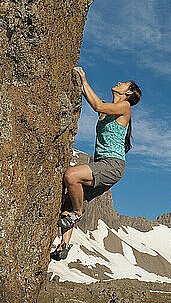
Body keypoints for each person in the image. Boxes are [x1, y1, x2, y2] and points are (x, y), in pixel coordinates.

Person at [51, 66, 142, 260]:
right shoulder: (112, 109)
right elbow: (99, 106)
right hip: (103, 164)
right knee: (68, 198)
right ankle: (64, 245)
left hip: (112, 165)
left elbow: (98, 105)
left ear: (128, 93)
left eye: (124, 83)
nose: (119, 82)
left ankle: (78, 213)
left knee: (71, 176)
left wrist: (83, 81)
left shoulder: (125, 107)